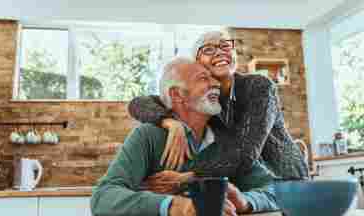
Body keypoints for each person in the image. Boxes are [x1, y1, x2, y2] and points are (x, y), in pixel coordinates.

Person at [91, 58, 278, 216]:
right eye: (203, 78)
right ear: (178, 94)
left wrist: (245, 201)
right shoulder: (148, 136)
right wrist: (176, 206)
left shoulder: (230, 140)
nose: (215, 84)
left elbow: (276, 190)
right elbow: (103, 196)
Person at [128, 31, 309, 179]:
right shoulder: (204, 100)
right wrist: (169, 121)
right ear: (197, 64)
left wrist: (187, 176)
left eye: (225, 46)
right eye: (208, 49)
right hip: (247, 186)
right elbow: (138, 103)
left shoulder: (260, 86)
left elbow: (245, 153)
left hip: (287, 180)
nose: (220, 52)